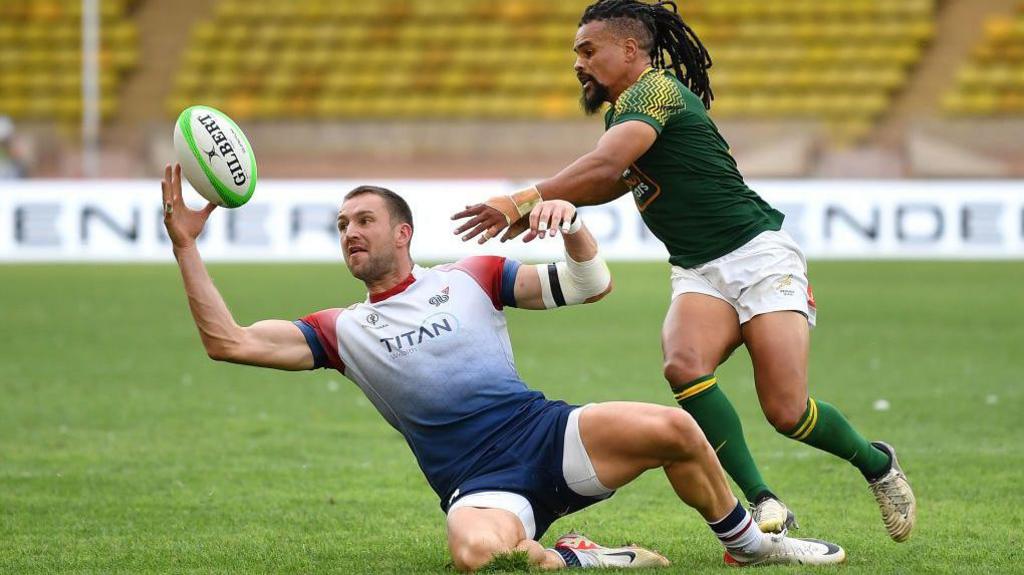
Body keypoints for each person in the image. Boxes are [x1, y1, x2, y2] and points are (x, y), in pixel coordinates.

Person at [160, 163, 845, 571]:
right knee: (476, 557)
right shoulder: (341, 330)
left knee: (674, 428)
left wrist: (571, 222)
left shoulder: (470, 274)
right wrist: (187, 245)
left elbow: (588, 284)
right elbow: (230, 340)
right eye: (342, 225)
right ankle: (578, 556)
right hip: (480, 481)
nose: (351, 233)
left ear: (402, 233)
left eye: (363, 219)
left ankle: (751, 545)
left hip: (549, 435)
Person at [451, 0, 915, 543]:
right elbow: (610, 180)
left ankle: (876, 463)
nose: (577, 62)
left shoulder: (656, 91)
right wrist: (540, 206)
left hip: (758, 255)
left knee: (787, 412)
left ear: (629, 49)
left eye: (587, 49)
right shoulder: (621, 113)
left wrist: (523, 195)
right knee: (683, 365)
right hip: (698, 268)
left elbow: (603, 166)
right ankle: (765, 500)